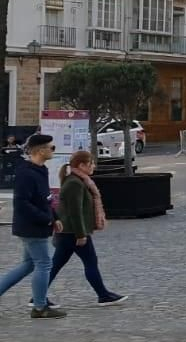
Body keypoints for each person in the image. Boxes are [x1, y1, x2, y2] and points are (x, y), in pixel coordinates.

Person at [45, 150, 125, 306]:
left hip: (67, 232)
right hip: (72, 232)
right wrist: (81, 234)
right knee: (90, 261)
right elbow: (75, 211)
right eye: (91, 163)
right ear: (81, 165)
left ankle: (37, 296)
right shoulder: (75, 183)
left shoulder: (78, 180)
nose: (93, 166)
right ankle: (103, 295)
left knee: (56, 265)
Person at [0, 133, 61, 317]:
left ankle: (40, 305)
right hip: (32, 227)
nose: (53, 151)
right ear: (40, 150)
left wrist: (55, 217)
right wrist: (46, 218)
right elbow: (22, 203)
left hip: (37, 224)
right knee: (44, 263)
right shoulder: (26, 173)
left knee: (28, 264)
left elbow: (46, 198)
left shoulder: (41, 170)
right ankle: (40, 307)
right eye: (51, 148)